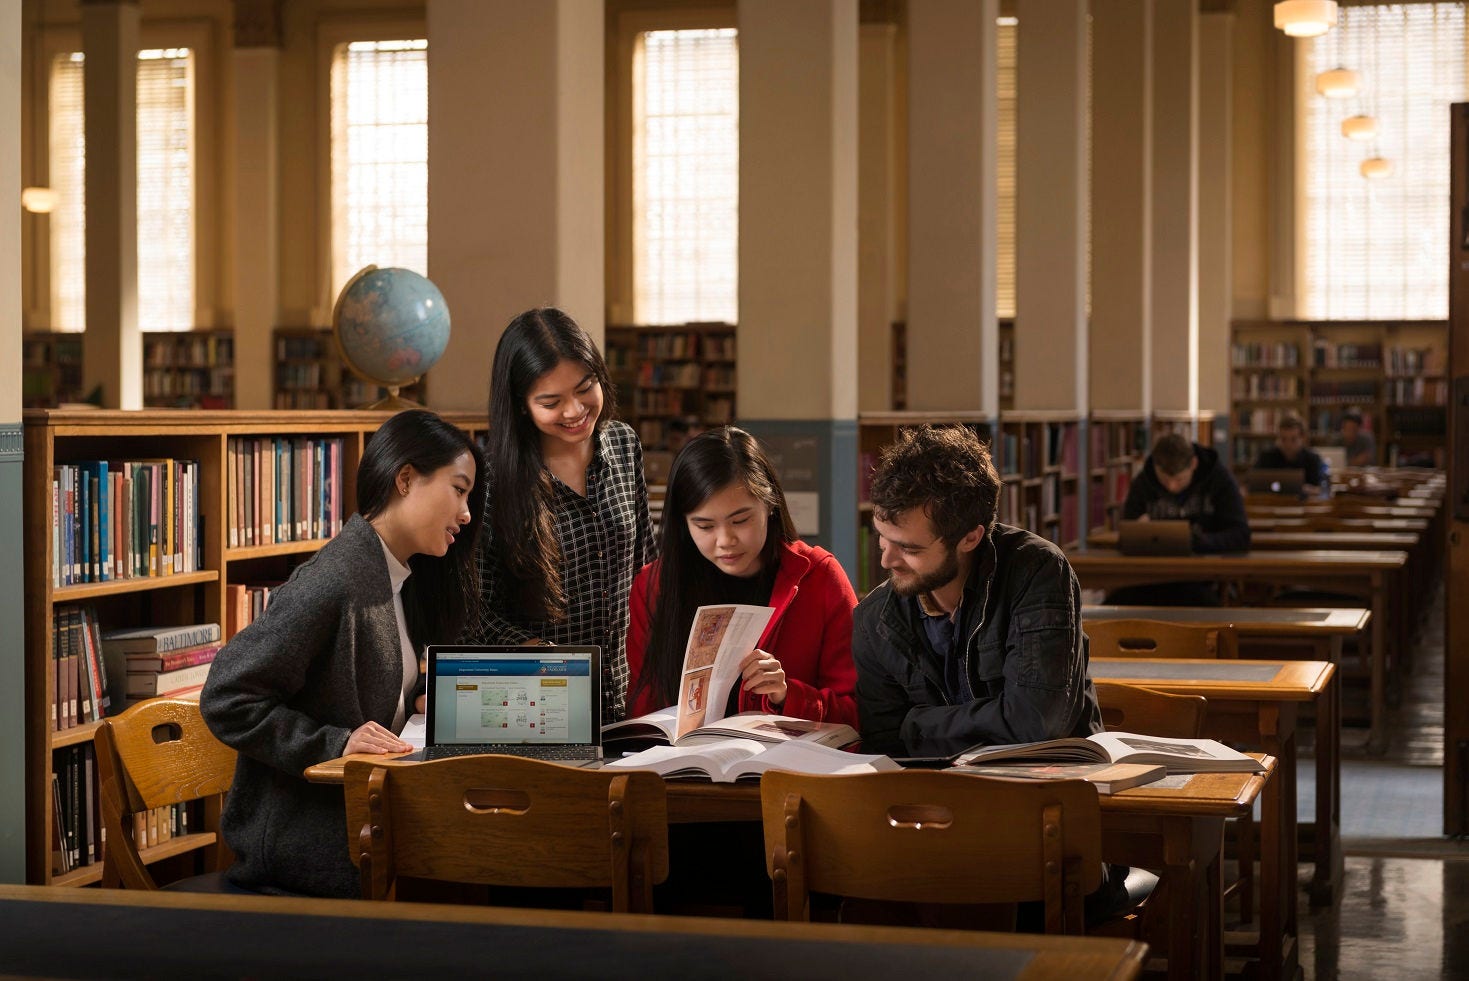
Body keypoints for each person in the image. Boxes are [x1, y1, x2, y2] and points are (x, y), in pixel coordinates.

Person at [201, 410, 485, 897]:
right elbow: (228, 697)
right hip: (310, 847)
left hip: (365, 824)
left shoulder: (396, 577)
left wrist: (415, 701)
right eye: (459, 490)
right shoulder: (333, 581)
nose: (466, 513)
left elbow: (359, 689)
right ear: (405, 478)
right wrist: (334, 744)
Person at [852, 424, 1101, 760]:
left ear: (970, 538)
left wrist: (918, 724)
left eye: (908, 548)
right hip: (933, 801)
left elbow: (1039, 722)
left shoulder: (1037, 571)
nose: (886, 560)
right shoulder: (875, 618)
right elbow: (884, 744)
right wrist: (996, 717)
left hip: (1045, 789)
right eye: (882, 537)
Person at [469, 307, 655, 723]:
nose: (574, 411)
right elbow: (475, 613)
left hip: (630, 696)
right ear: (521, 406)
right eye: (551, 402)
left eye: (585, 388)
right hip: (539, 704)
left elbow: (646, 566)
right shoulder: (490, 480)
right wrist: (541, 657)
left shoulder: (623, 445)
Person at [625, 426, 858, 727]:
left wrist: (787, 696)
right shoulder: (653, 586)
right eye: (705, 526)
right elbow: (643, 711)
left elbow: (858, 713)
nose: (725, 540)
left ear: (770, 504)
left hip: (790, 770)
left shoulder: (820, 577)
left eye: (741, 520)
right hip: (683, 770)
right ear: (683, 525)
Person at [1253, 411, 1328, 497]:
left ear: (1302, 438)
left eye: (1293, 439)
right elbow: (1250, 484)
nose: (1288, 444)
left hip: (1304, 507)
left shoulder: (1313, 459)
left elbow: (1322, 490)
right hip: (1272, 505)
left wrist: (1306, 489)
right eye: (1283, 439)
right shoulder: (1266, 457)